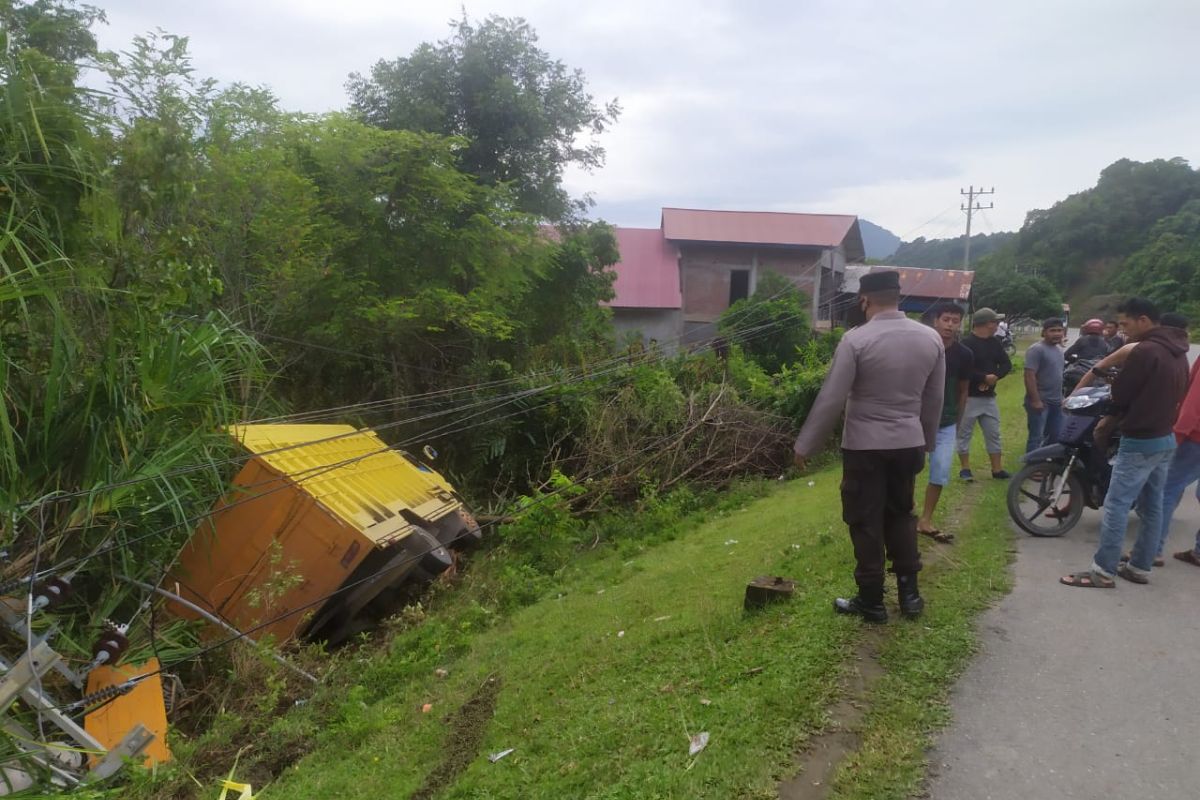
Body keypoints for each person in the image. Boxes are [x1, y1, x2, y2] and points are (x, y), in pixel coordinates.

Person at [793, 271, 945, 623]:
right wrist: (927, 440)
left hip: (865, 446)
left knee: (864, 520)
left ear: (865, 301)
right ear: (897, 296)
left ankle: (871, 600)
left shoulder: (856, 340)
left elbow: (832, 398)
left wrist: (806, 445)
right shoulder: (931, 338)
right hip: (909, 441)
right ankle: (910, 596)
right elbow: (934, 398)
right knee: (902, 514)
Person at [1060, 297, 1189, 589]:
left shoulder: (1145, 351)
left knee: (1117, 503)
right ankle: (1140, 566)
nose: (1123, 331)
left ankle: (1103, 572)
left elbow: (1120, 394)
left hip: (1140, 439)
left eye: (1127, 324)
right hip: (1165, 438)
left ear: (1143, 320)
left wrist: (1110, 417)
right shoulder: (1177, 351)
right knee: (1153, 505)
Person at [917, 303, 972, 543]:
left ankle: (926, 520)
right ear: (935, 320)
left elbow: (963, 391)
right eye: (946, 319)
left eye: (955, 320)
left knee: (940, 471)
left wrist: (957, 422)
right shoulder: (919, 347)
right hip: (916, 421)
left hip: (947, 423)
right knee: (907, 469)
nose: (950, 324)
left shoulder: (964, 355)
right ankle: (905, 515)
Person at [957, 308, 1013, 480]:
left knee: (993, 432)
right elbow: (961, 370)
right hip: (969, 397)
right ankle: (965, 469)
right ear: (986, 323)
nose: (997, 325)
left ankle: (997, 469)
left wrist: (995, 377)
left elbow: (1006, 364)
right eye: (995, 322)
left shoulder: (994, 343)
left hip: (988, 397)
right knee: (964, 433)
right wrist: (982, 377)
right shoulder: (966, 343)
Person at [1023, 318, 1066, 453]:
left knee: (1055, 436)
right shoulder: (1037, 350)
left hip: (1056, 402)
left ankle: (1047, 467)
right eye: (1052, 331)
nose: (1057, 334)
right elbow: (1029, 375)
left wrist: (1062, 398)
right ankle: (1032, 469)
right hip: (1041, 402)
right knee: (1036, 437)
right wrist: (1035, 400)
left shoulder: (1059, 350)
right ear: (1044, 333)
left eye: (1059, 330)